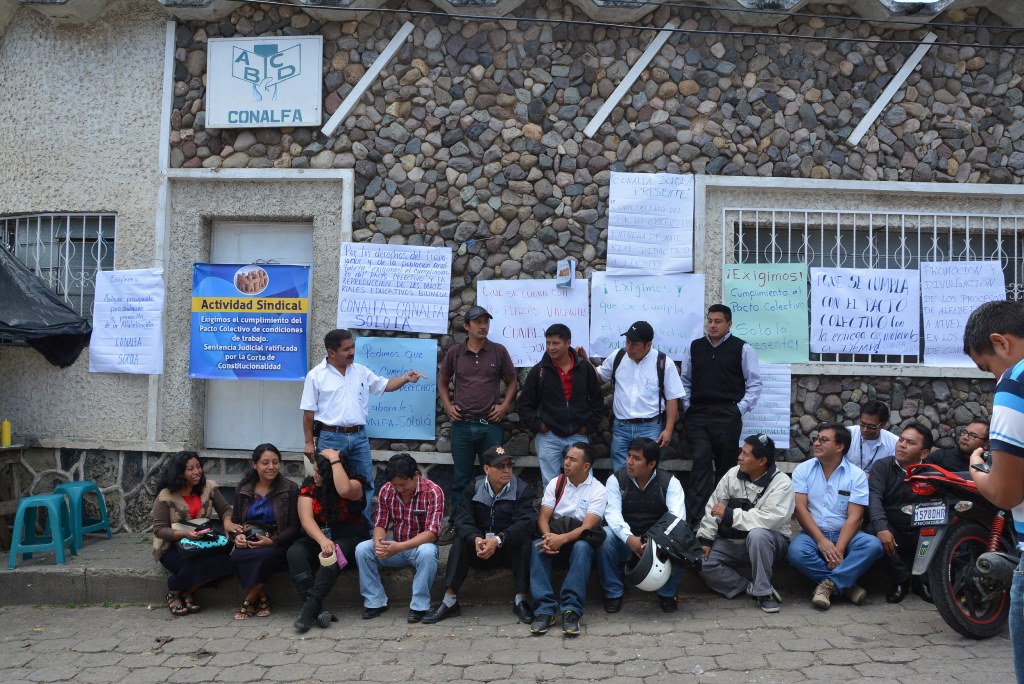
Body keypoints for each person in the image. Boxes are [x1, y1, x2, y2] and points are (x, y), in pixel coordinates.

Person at [301, 328, 426, 518]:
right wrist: (309, 442)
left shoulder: (360, 371)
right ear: (331, 352)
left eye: (353, 347)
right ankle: (331, 529)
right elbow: (308, 413)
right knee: (328, 484)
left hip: (359, 437)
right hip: (331, 438)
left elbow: (385, 385)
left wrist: (405, 379)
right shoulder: (316, 375)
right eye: (346, 349)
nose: (352, 352)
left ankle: (364, 531)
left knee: (366, 483)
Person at [962, 300, 1024, 684]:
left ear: (1001, 343)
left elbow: (1005, 491)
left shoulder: (1016, 383)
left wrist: (977, 471)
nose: (993, 378)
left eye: (987, 368)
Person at [422, 445, 537, 625]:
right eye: (501, 466)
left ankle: (521, 599)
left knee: (525, 541)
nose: (507, 470)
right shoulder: (474, 487)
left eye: (509, 465)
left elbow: (526, 523)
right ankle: (449, 601)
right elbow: (462, 519)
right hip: (480, 547)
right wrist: (475, 538)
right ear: (486, 469)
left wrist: (499, 540)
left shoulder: (522, 490)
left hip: (506, 549)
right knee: (460, 541)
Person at [438, 305, 517, 542]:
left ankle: (493, 524)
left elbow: (512, 381)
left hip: (490, 426)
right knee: (461, 477)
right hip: (462, 425)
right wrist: (448, 406)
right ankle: (455, 523)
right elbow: (442, 382)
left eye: (486, 322)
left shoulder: (498, 351)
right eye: (478, 322)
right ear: (466, 326)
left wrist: (504, 406)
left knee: (496, 474)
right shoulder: (455, 353)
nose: (483, 326)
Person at [680, 304, 762, 523]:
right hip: (698, 414)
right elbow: (685, 380)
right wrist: (688, 406)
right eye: (710, 321)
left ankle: (722, 519)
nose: (712, 325)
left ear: (729, 324)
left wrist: (738, 409)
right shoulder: (695, 347)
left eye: (718, 321)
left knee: (727, 467)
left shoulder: (742, 349)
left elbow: (754, 383)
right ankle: (697, 519)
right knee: (701, 461)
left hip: (727, 415)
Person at [786, 423, 883, 610]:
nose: (817, 443)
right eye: (816, 439)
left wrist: (838, 550)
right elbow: (800, 509)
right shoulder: (803, 470)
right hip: (813, 534)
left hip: (845, 534)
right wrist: (821, 540)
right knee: (796, 552)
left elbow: (855, 517)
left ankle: (828, 586)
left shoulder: (857, 476)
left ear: (840, 447)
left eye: (824, 440)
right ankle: (846, 586)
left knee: (873, 545)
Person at [697, 434, 795, 613]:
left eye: (745, 454)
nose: (739, 457)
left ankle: (764, 593)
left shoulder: (782, 483)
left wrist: (729, 515)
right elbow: (714, 506)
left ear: (762, 461)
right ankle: (750, 588)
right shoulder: (732, 474)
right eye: (741, 452)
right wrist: (706, 538)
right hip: (734, 542)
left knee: (758, 534)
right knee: (701, 560)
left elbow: (768, 519)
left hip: (770, 543)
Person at [597, 437, 686, 613]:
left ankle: (667, 593)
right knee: (605, 535)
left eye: (636, 458)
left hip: (659, 544)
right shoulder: (615, 481)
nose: (629, 462)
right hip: (627, 541)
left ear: (652, 463)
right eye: (629, 456)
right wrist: (629, 538)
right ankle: (613, 593)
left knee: (682, 536)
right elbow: (612, 515)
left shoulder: (671, 483)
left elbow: (676, 518)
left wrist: (652, 543)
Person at [287, 449, 371, 632]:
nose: (315, 476)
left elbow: (344, 489)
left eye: (321, 473)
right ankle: (318, 610)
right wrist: (322, 540)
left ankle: (309, 609)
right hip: (321, 536)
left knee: (335, 552)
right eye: (315, 471)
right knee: (295, 553)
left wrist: (333, 458)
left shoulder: (355, 485)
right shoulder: (309, 486)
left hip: (351, 536)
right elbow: (306, 519)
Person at [529, 442, 608, 638]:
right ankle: (544, 610)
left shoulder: (598, 490)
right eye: (566, 458)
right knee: (535, 546)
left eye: (573, 459)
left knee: (582, 547)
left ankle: (571, 611)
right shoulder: (557, 483)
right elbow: (543, 517)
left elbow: (588, 526)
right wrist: (548, 538)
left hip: (577, 539)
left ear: (586, 466)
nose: (566, 463)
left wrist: (561, 539)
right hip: (554, 535)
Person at [354, 453, 444, 623]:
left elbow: (432, 533)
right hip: (396, 548)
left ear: (416, 475)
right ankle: (375, 601)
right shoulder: (387, 490)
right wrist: (379, 544)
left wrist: (400, 547)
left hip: (418, 547)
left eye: (404, 484)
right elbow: (380, 523)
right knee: (362, 549)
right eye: (396, 485)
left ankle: (419, 606)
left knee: (428, 552)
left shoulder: (433, 491)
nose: (400, 489)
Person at [584, 320, 685, 471]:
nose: (629, 347)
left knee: (647, 471)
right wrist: (586, 361)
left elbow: (672, 398)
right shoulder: (618, 356)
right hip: (621, 427)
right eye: (627, 341)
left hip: (650, 427)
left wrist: (668, 429)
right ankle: (622, 495)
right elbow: (599, 378)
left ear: (648, 345)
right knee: (620, 470)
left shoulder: (663, 363)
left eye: (635, 344)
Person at [151, 451, 241, 616]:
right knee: (191, 567)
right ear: (179, 472)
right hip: (172, 546)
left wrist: (228, 522)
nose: (197, 472)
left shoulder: (209, 488)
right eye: (190, 469)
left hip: (202, 542)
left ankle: (184, 590)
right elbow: (159, 529)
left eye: (198, 467)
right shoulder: (165, 496)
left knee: (227, 563)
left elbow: (225, 510)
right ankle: (175, 591)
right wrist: (184, 534)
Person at [518, 323, 604, 485]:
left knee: (585, 481)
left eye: (556, 343)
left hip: (578, 435)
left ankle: (585, 511)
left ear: (568, 343)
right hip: (548, 437)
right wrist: (539, 425)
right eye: (548, 343)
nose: (551, 347)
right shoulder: (539, 371)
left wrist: (588, 427)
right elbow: (524, 405)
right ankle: (554, 511)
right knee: (550, 484)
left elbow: (597, 400)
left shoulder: (584, 368)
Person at [230, 443, 300, 620]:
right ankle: (262, 597)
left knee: (264, 557)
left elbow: (294, 526)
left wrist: (273, 541)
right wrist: (237, 535)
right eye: (265, 462)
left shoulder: (289, 488)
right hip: (249, 538)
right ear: (254, 464)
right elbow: (236, 521)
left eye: (275, 462)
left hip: (277, 540)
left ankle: (248, 600)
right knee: (237, 556)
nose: (271, 467)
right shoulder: (243, 489)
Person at [867, 423, 934, 604]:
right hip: (893, 527)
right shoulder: (882, 467)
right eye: (901, 439)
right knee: (874, 531)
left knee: (940, 530)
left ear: (924, 453)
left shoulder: (932, 472)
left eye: (910, 442)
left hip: (920, 529)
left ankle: (922, 581)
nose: (901, 445)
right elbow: (874, 498)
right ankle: (900, 579)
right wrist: (882, 527)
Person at [844, 400, 898, 474]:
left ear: (883, 425)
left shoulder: (894, 443)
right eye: (862, 424)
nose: (865, 429)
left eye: (871, 426)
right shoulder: (847, 434)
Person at [926, 420, 990, 472]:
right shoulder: (941, 456)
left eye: (973, 436)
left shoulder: (989, 465)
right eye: (964, 432)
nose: (965, 437)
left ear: (986, 444)